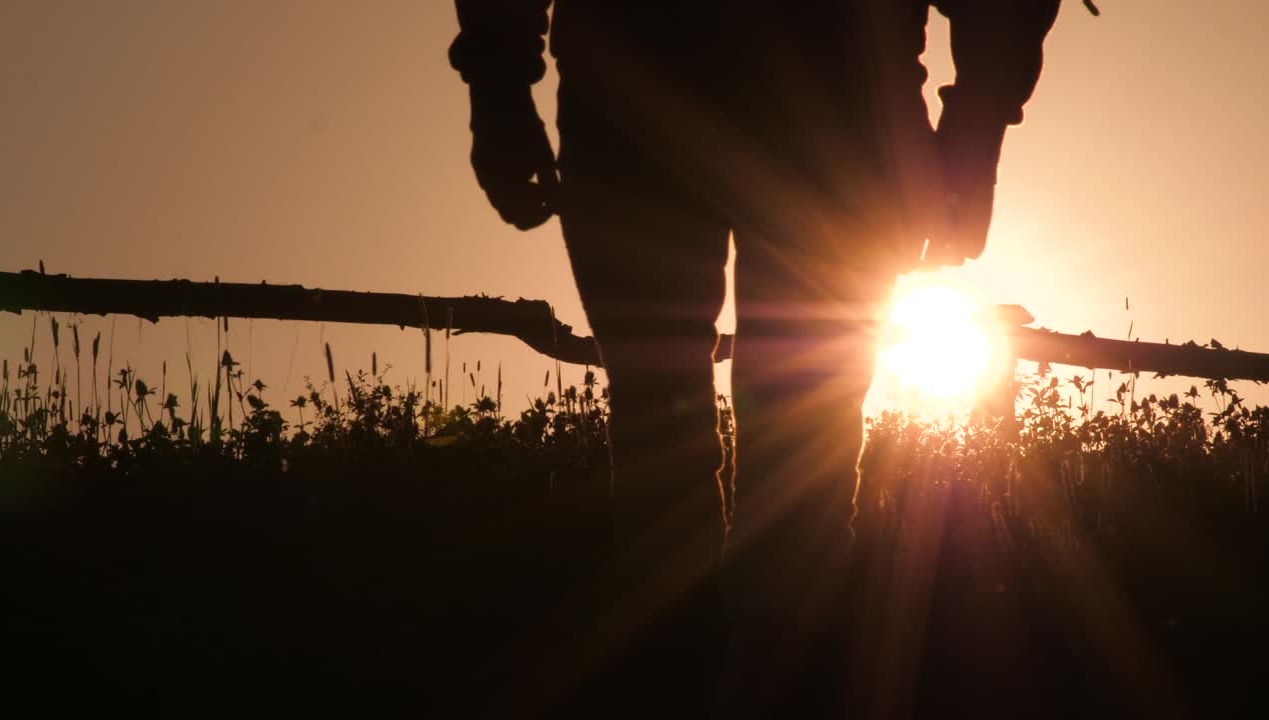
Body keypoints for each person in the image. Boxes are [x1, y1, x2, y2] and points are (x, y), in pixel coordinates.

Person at [451, 1, 1062, 714]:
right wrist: (975, 125)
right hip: (826, 111)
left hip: (672, 93)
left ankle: (724, 668)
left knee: (690, 419)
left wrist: (498, 86)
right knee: (783, 423)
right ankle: (744, 668)